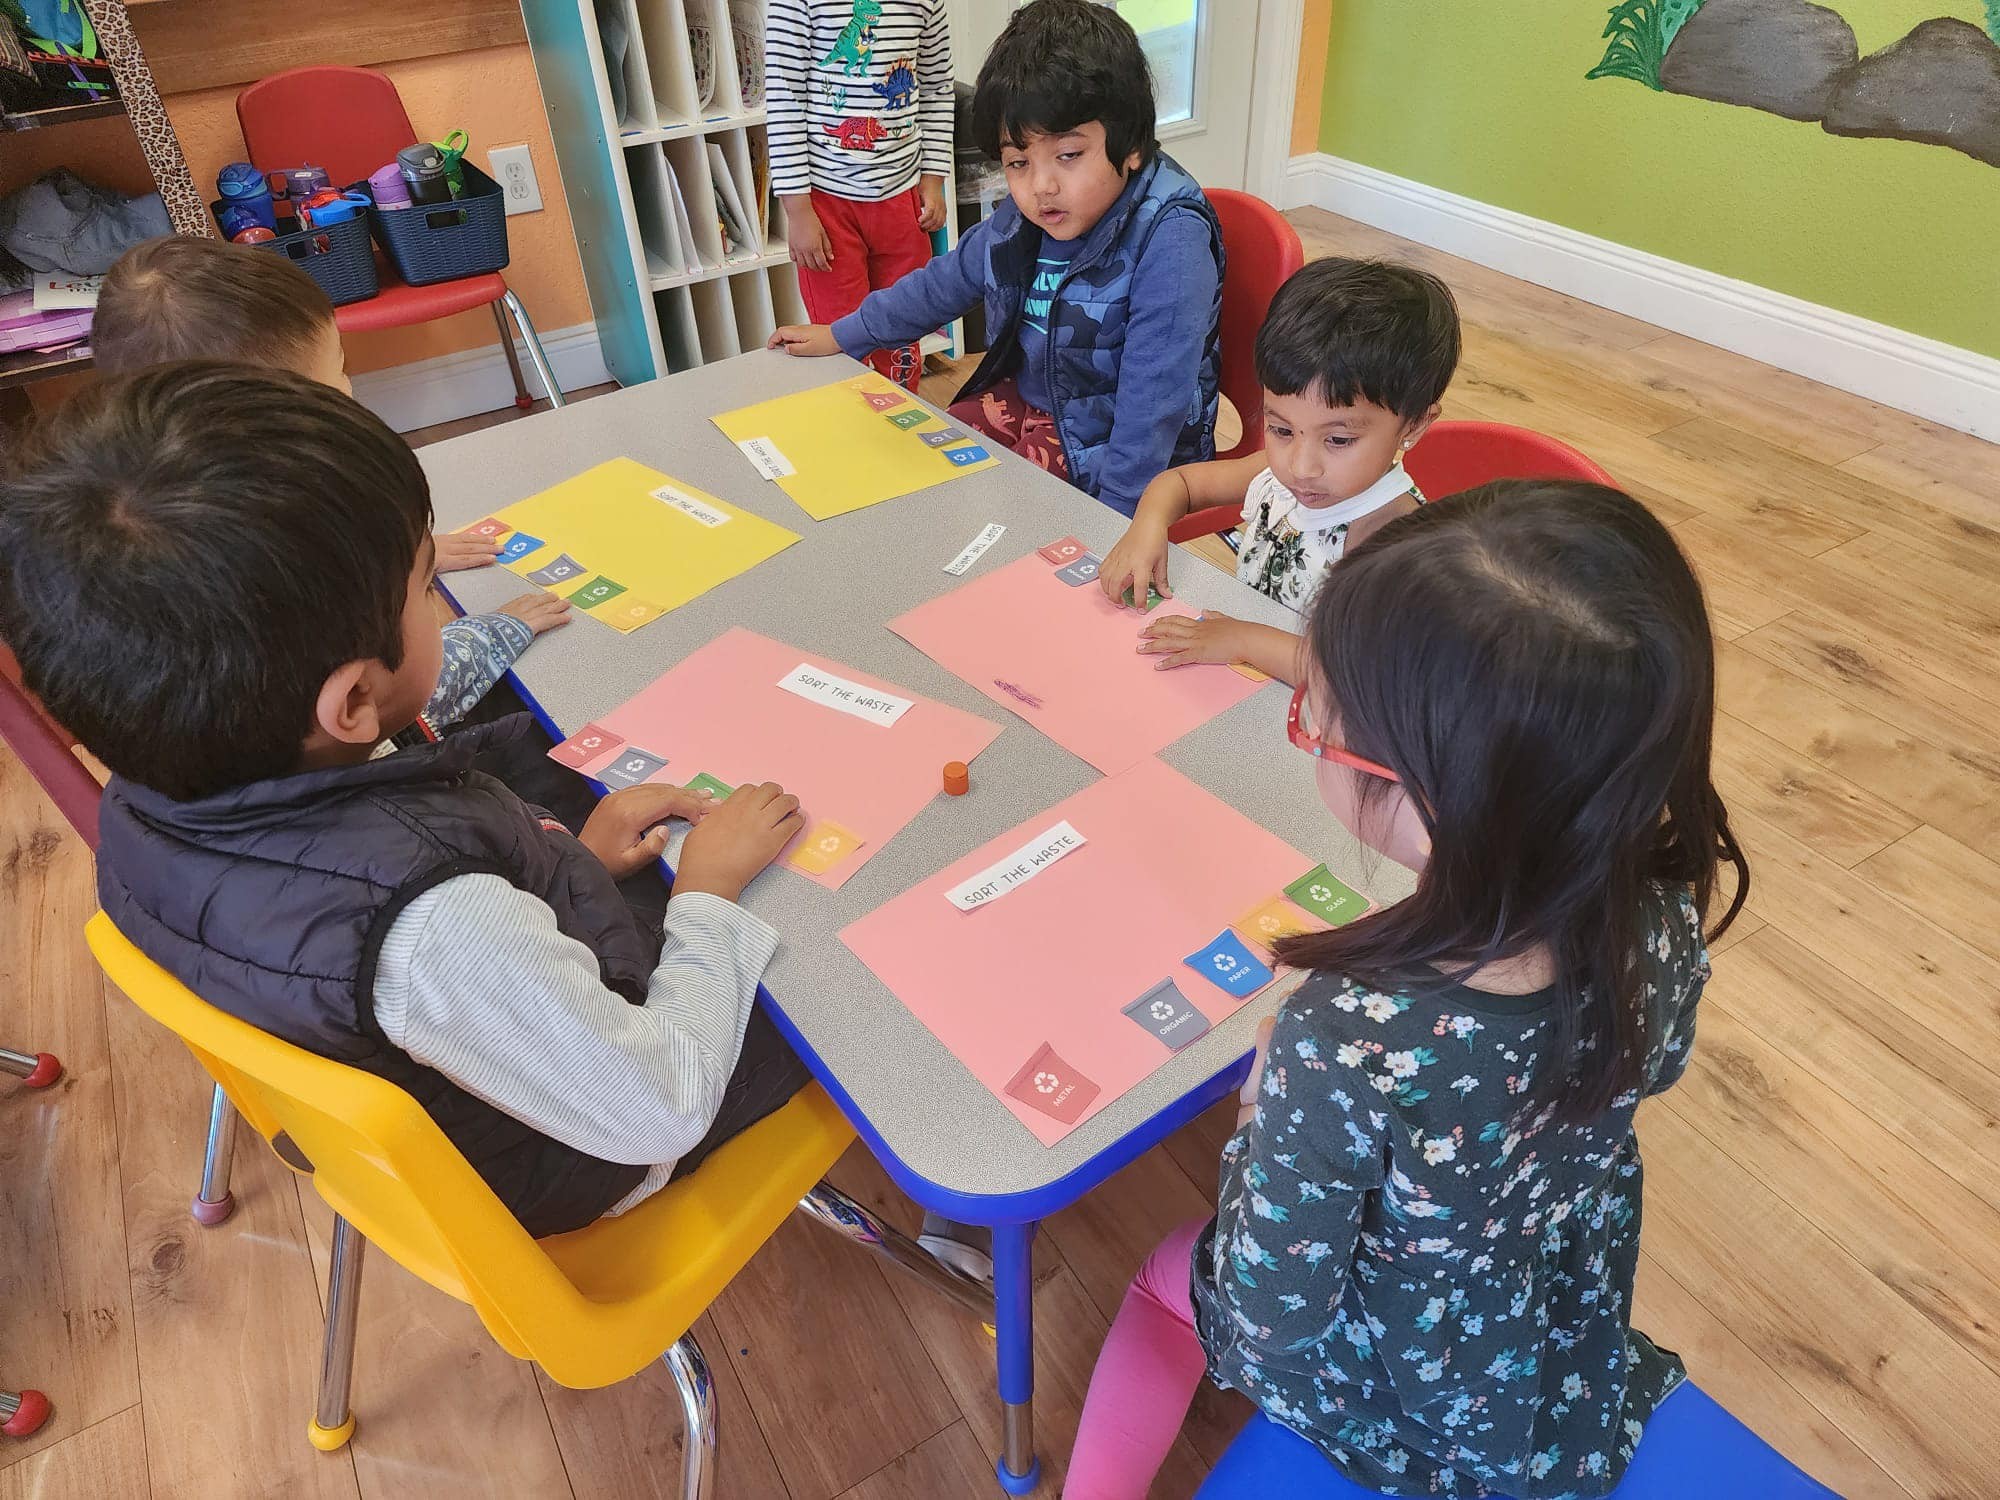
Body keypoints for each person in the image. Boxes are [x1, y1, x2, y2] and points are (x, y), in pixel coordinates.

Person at [0, 364, 813, 1237]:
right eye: (428, 587)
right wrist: (706, 899)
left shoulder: (144, 790)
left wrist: (575, 857)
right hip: (579, 1154)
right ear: (350, 703)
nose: (440, 602)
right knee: (822, 991)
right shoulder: (434, 925)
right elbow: (663, 1102)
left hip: (457, 1063)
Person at [1065, 480, 1750, 1499]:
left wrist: (1261, 1114)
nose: (1310, 720)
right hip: (1555, 1305)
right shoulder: (1653, 905)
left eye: (1321, 716)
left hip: (1409, 1383)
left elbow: (1271, 1313)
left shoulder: (1342, 1039)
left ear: (1431, 803)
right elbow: (1661, 1061)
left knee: (1170, 1278)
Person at [92, 235, 569, 739]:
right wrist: (500, 631)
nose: (349, 385)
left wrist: (399, 556)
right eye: (338, 370)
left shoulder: (151, 523)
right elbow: (407, 696)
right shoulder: (302, 552)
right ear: (285, 409)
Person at [768, 0, 1224, 518]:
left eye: (1069, 155)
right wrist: (844, 333)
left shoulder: (1172, 239)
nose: (1041, 186)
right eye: (1018, 162)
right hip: (1036, 406)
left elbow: (1153, 405)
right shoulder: (1027, 217)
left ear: (1133, 144)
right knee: (921, 473)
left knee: (986, 517)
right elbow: (942, 284)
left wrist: (1117, 519)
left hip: (1122, 452)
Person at [1101, 258, 1460, 684]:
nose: (1300, 466)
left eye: (1339, 440)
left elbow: (1355, 677)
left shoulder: (1394, 542)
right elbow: (1178, 483)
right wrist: (1147, 528)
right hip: (1237, 684)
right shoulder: (1276, 478)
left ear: (1414, 425)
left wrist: (1241, 639)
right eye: (1281, 429)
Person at [766, 0, 954, 392]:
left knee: (902, 327)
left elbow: (937, 87)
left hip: (903, 202)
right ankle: (851, 431)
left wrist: (934, 179)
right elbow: (784, 97)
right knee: (837, 336)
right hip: (826, 206)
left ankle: (901, 419)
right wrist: (798, 210)